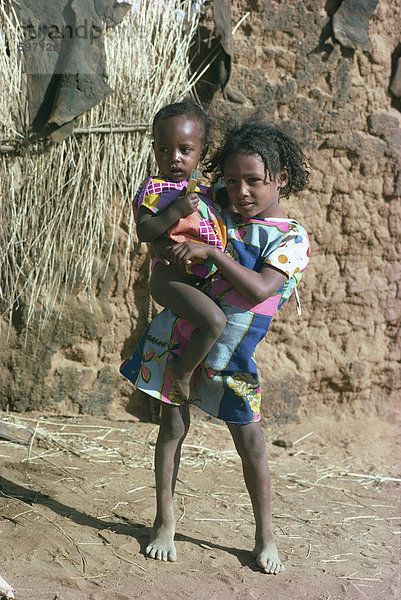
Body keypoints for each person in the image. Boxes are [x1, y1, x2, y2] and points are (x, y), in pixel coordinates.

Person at [121, 114, 311, 574]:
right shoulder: (220, 211)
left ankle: (265, 534)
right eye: (231, 181)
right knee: (171, 432)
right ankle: (164, 522)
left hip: (232, 359)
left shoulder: (291, 239)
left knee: (252, 445)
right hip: (182, 340)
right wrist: (166, 246)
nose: (241, 191)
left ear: (280, 179)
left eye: (253, 181)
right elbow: (175, 223)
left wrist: (212, 253)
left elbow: (261, 290)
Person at [134, 99, 227, 400]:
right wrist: (175, 211)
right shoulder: (156, 188)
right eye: (164, 150)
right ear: (154, 150)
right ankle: (182, 371)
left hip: (196, 280)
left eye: (184, 150)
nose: (174, 158)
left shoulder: (204, 191)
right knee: (214, 322)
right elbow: (145, 231)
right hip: (168, 277)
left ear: (203, 152)